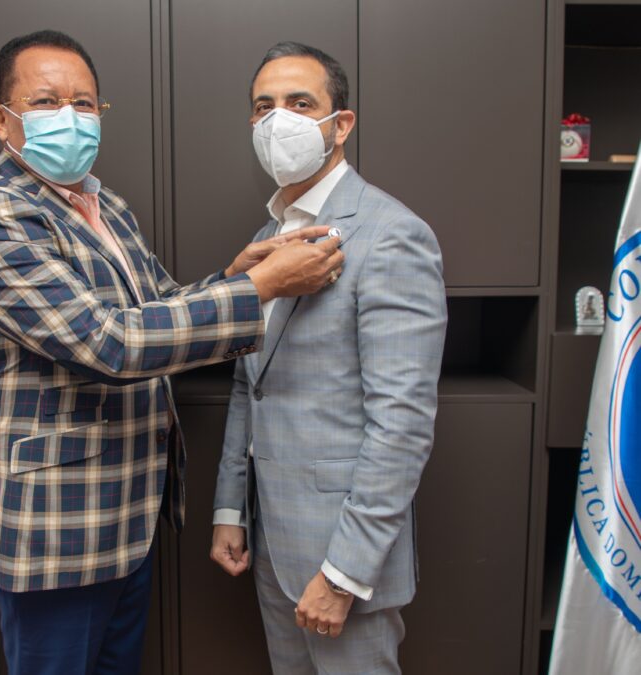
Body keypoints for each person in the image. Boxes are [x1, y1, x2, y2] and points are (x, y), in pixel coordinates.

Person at [0, 30, 343, 675]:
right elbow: (107, 341)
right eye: (46, 103)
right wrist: (259, 289)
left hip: (126, 520)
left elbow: (157, 307)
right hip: (53, 532)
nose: (70, 117)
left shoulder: (106, 207)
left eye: (84, 103)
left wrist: (234, 275)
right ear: (2, 119)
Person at [210, 41, 447, 674]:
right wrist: (231, 508)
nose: (277, 120)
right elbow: (250, 385)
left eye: (299, 103)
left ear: (340, 125)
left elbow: (401, 425)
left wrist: (344, 573)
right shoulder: (267, 239)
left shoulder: (391, 234)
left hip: (342, 557)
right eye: (263, 106)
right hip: (272, 542)